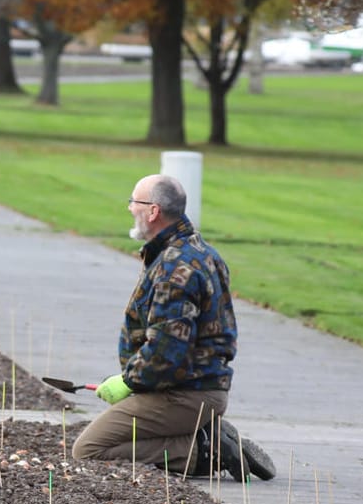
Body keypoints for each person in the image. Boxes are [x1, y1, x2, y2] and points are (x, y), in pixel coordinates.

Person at [72, 174, 274, 480]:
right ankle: (204, 434)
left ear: (153, 211)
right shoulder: (199, 251)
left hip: (184, 394)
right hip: (194, 389)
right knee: (113, 437)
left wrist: (128, 382)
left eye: (134, 202)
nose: (129, 209)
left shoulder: (174, 267)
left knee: (88, 450)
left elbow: (167, 352)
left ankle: (203, 450)